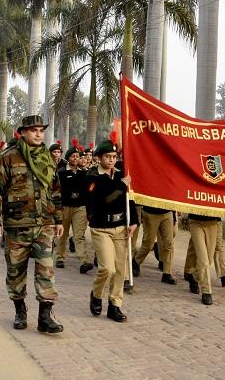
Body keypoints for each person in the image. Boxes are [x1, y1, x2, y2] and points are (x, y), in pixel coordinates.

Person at [0, 115, 64, 334]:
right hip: (17, 225)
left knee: (46, 270)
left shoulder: (49, 158)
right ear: (23, 133)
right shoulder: (8, 157)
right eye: (33, 130)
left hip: (44, 224)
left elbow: (55, 190)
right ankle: (20, 310)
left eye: (41, 130)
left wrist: (58, 218)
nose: (38, 134)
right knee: (15, 271)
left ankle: (45, 317)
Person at [86, 135, 139, 323]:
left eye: (114, 156)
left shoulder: (120, 173)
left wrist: (134, 221)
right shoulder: (92, 176)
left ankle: (115, 305)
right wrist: (122, 184)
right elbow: (104, 200)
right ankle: (97, 294)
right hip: (101, 228)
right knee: (107, 268)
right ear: (99, 158)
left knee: (120, 270)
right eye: (107, 156)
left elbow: (129, 199)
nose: (111, 160)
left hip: (120, 227)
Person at [55, 140, 92, 273]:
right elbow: (56, 191)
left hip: (80, 207)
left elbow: (88, 191)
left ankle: (84, 261)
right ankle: (59, 257)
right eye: (73, 156)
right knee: (63, 234)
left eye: (77, 156)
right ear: (68, 158)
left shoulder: (84, 173)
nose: (75, 159)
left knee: (79, 235)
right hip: (65, 207)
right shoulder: (62, 172)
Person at [184, 221, 225, 293]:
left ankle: (223, 275)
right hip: (197, 220)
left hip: (215, 221)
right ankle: (205, 290)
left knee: (218, 247)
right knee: (196, 250)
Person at [132, 206, 177, 285]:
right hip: (150, 213)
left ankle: (167, 273)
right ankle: (136, 261)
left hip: (167, 212)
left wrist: (173, 214)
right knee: (148, 244)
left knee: (169, 244)